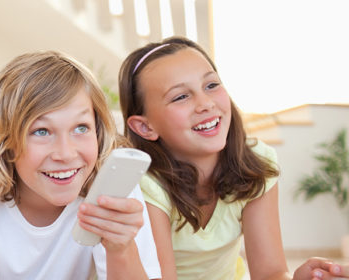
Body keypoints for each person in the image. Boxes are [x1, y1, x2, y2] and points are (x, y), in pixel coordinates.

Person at [118, 36, 349, 280]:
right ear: (145, 128)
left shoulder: (256, 161)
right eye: (180, 97)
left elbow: (269, 273)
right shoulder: (145, 185)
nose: (205, 104)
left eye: (211, 85)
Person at [0, 51, 161, 279]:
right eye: (41, 131)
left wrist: (121, 247)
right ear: (5, 140)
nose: (66, 154)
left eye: (81, 127)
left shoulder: (111, 175)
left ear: (98, 131)